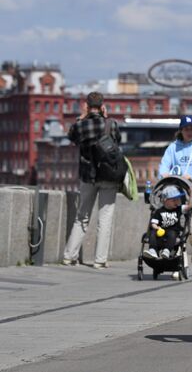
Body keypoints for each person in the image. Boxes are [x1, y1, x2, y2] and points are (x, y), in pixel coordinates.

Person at [62, 92, 121, 269]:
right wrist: (106, 118)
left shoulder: (81, 126)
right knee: (105, 218)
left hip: (88, 176)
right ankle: (99, 260)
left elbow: (71, 137)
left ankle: (69, 256)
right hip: (108, 176)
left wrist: (81, 118)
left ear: (87, 106)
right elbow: (117, 143)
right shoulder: (111, 124)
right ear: (103, 105)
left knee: (82, 217)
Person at [159, 115, 192, 274]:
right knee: (176, 233)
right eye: (186, 129)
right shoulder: (172, 148)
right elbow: (164, 166)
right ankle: (180, 265)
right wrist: (165, 175)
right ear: (181, 130)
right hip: (176, 199)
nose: (189, 131)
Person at [143, 186, 188, 260]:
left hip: (172, 232)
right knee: (152, 232)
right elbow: (153, 223)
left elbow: (189, 206)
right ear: (165, 200)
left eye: (178, 199)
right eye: (174, 200)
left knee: (172, 233)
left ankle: (167, 251)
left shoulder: (179, 209)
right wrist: (157, 228)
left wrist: (191, 193)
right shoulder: (159, 211)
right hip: (161, 231)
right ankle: (153, 250)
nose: (177, 201)